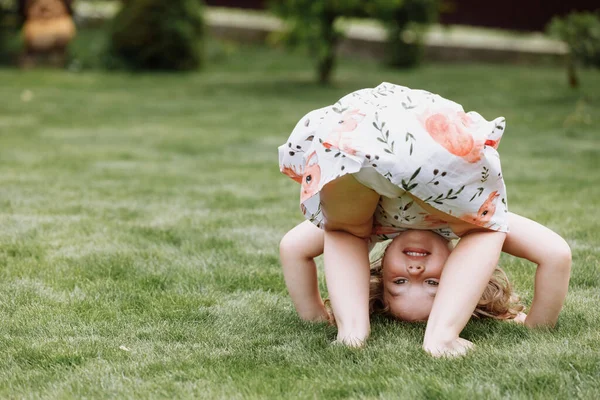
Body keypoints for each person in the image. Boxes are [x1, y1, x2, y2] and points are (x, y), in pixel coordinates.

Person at [278, 83, 571, 356]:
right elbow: (556, 255)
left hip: (349, 140)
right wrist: (536, 325)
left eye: (400, 281)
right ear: (462, 275)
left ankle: (351, 332)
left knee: (343, 230)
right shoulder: (470, 225)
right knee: (484, 228)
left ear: (377, 274)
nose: (416, 270)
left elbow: (293, 248)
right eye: (433, 283)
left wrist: (315, 314)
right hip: (429, 142)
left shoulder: (374, 226)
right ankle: (441, 336)